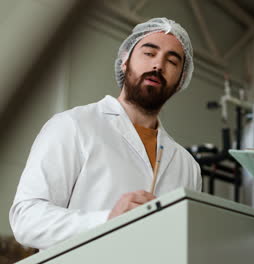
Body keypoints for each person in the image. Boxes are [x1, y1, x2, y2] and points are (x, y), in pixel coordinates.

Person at [9, 17, 202, 250]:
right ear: (124, 61)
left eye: (172, 61)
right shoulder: (73, 125)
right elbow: (26, 219)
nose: (158, 65)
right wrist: (106, 221)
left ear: (180, 80)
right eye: (149, 53)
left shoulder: (187, 166)